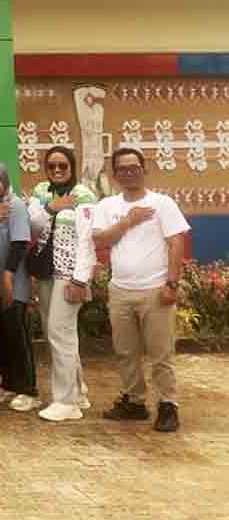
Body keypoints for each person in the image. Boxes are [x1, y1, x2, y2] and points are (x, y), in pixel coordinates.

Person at [92, 147, 190, 433]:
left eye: (133, 167)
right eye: (122, 169)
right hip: (120, 290)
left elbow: (176, 243)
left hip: (155, 290)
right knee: (126, 352)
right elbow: (99, 240)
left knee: (161, 354)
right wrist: (127, 221)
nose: (129, 173)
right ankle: (134, 401)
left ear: (144, 169)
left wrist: (172, 283)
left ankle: (168, 404)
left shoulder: (162, 203)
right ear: (114, 175)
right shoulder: (107, 206)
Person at [28, 145, 98, 422]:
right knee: (56, 333)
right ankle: (78, 391)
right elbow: (31, 226)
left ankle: (66, 401)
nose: (57, 170)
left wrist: (80, 279)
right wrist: (50, 208)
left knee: (60, 332)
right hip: (46, 272)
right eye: (51, 166)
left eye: (63, 166)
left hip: (69, 275)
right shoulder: (41, 192)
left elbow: (87, 240)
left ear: (72, 167)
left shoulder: (83, 195)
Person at [0, 161, 39, 413]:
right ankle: (9, 383)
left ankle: (28, 389)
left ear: (5, 180)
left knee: (16, 334)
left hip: (13, 281)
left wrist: (8, 275)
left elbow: (20, 243)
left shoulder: (15, 205)